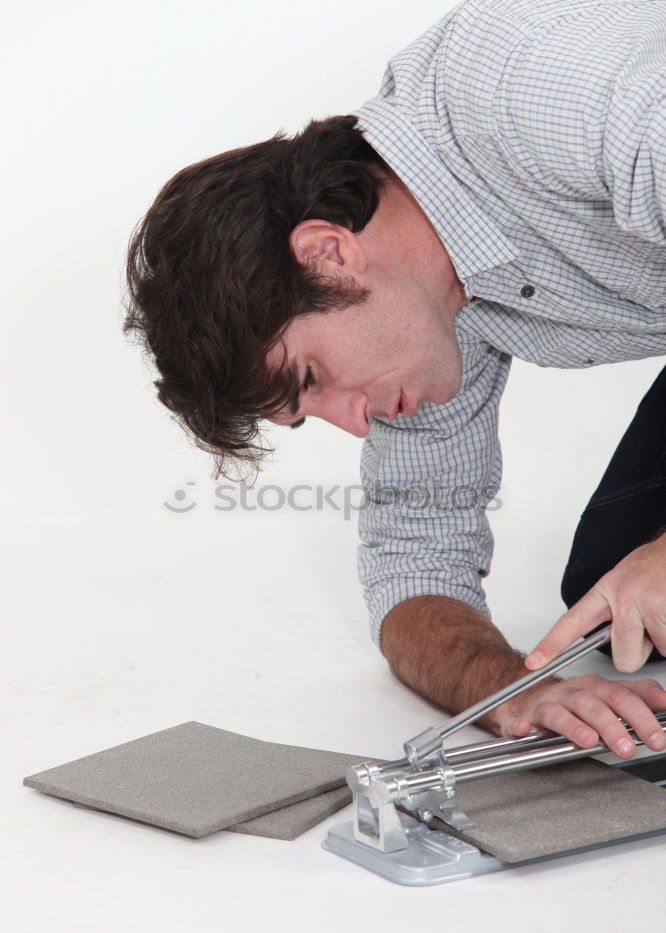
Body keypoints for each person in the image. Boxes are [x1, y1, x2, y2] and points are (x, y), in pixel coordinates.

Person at [123, 0, 666, 758]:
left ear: (328, 255)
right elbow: (415, 563)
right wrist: (521, 694)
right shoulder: (426, 306)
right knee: (623, 602)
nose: (355, 422)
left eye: (313, 377)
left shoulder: (538, 93)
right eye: (309, 412)